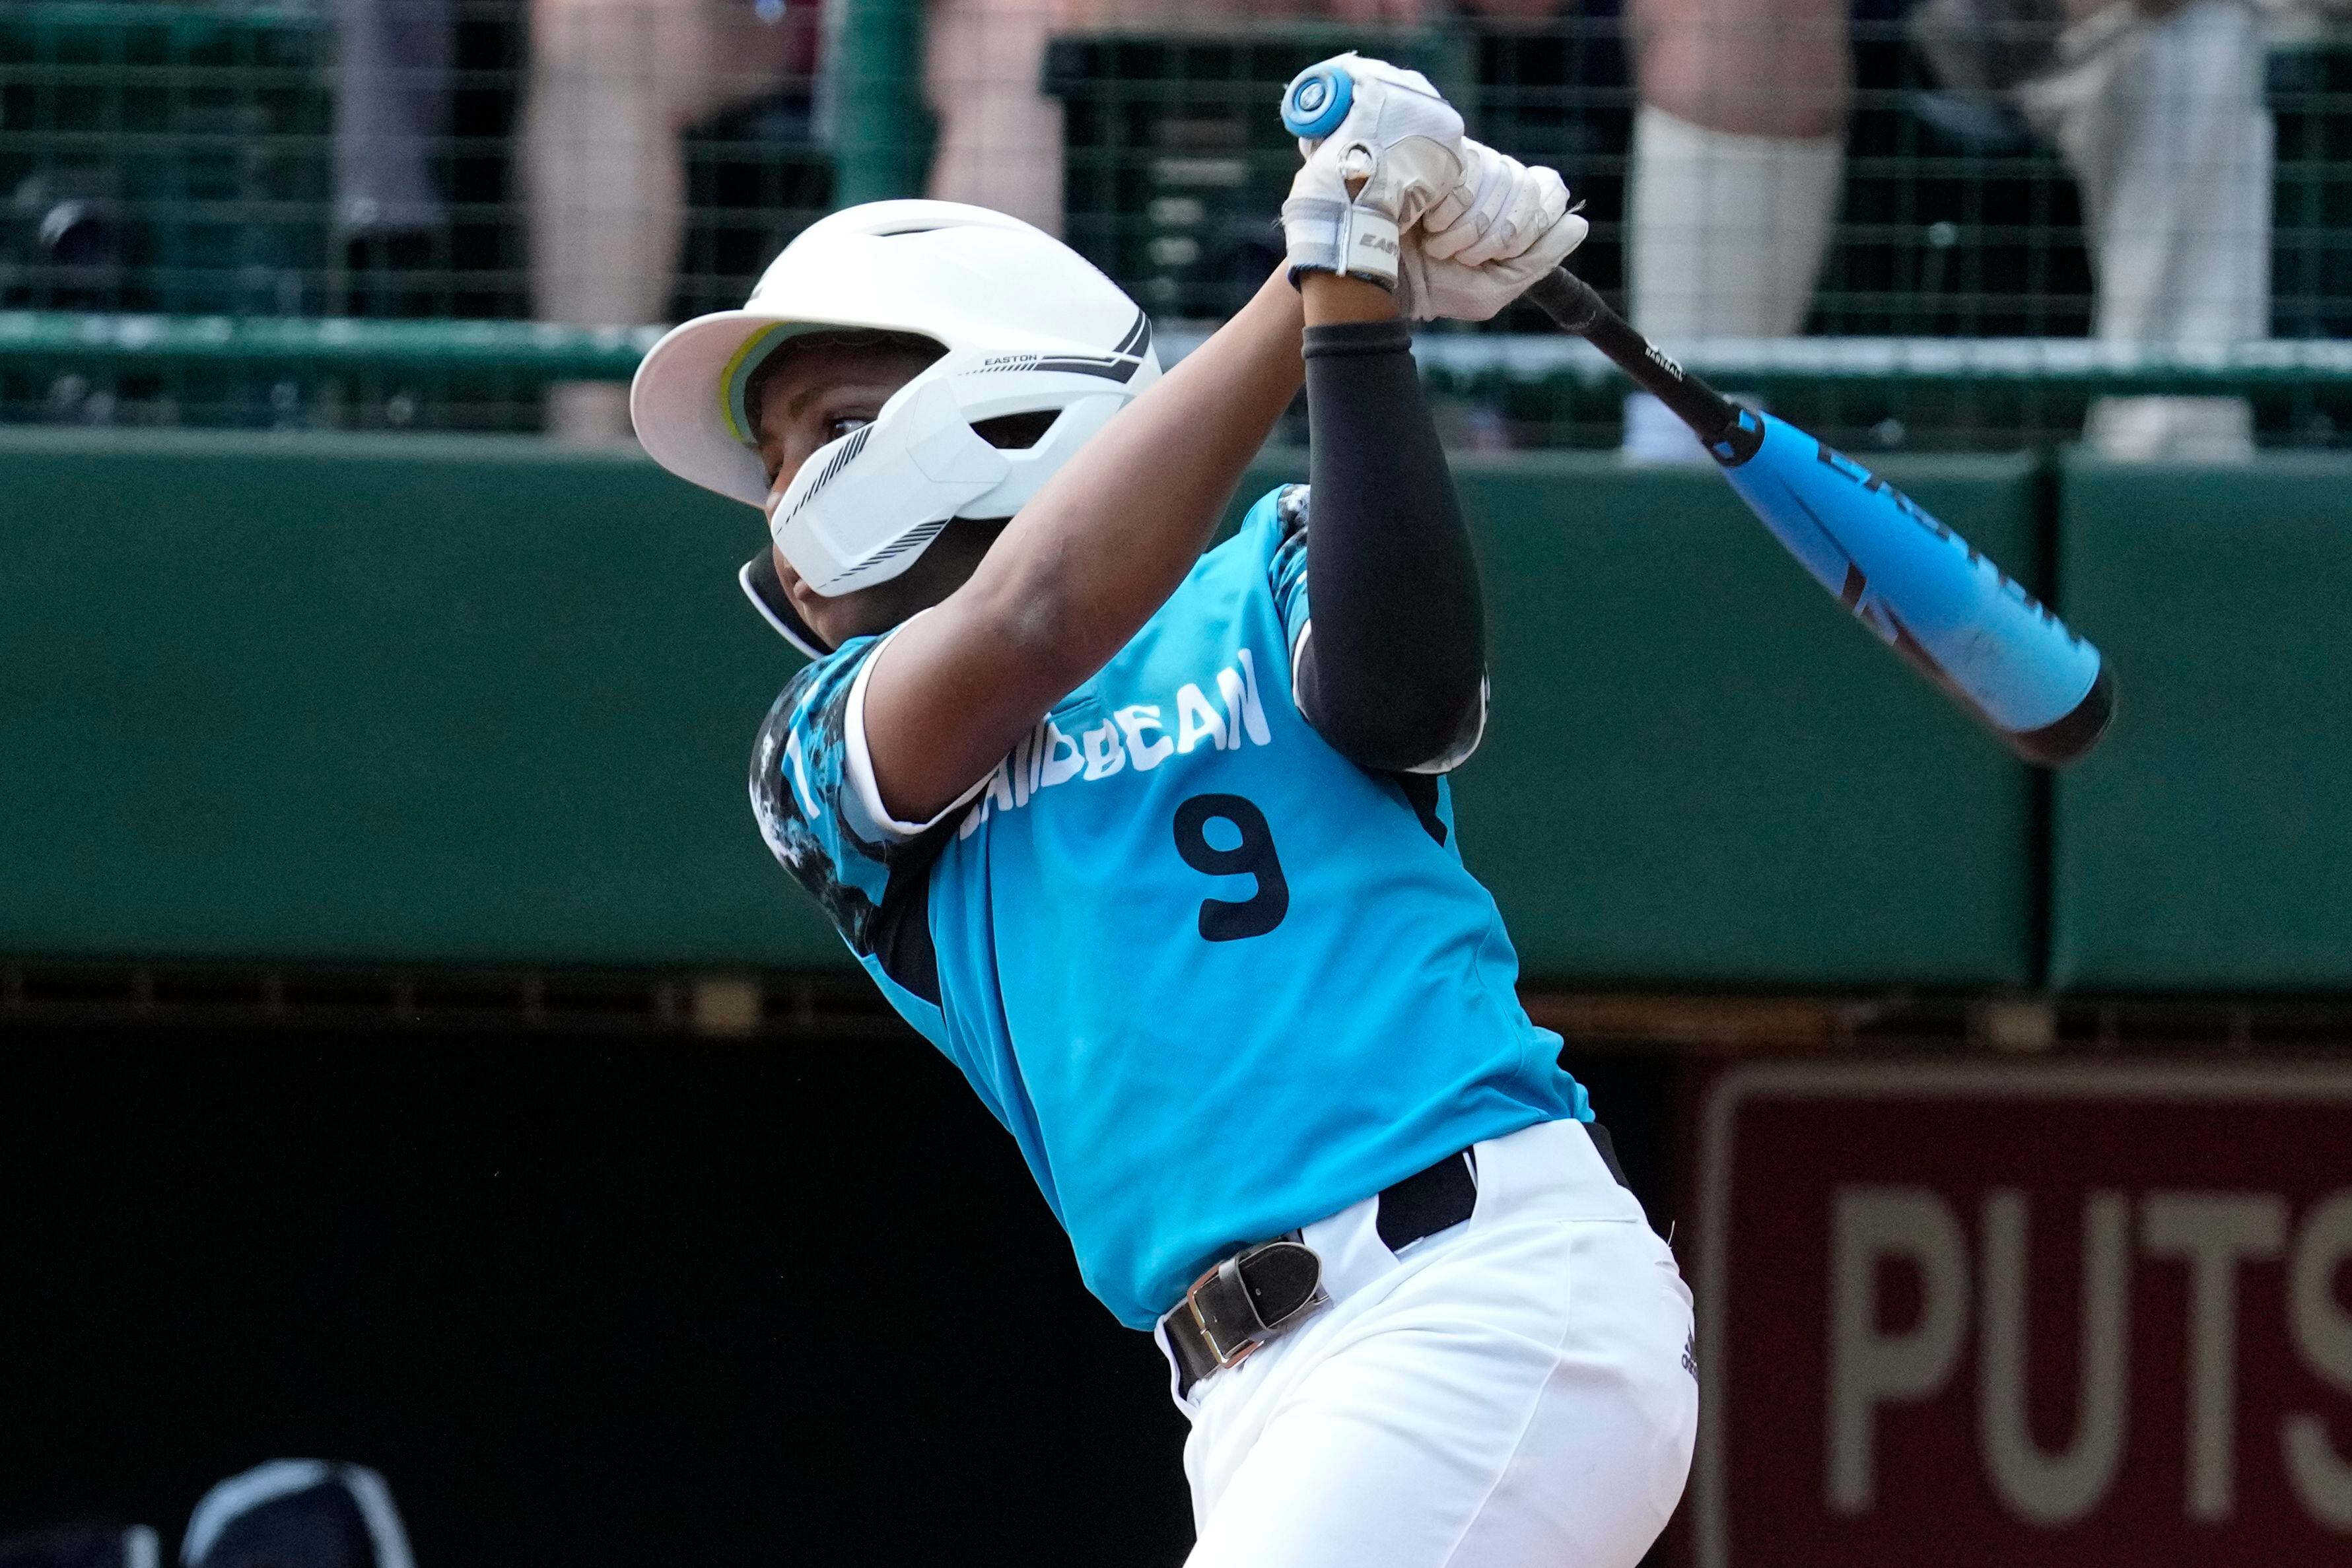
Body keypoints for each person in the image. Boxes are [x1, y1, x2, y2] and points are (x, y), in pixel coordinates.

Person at [630, 53, 1697, 1567]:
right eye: (776, 466)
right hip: (1249, 1393)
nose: (791, 500)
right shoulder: (813, 754)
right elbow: (1034, 616)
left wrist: (1353, 300)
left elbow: (1409, 700)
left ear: (1001, 379)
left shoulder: (1255, 574)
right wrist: (1319, 260)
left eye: (831, 420)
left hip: (1471, 1287)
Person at [1620, 0, 2294, 461]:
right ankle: (1689, 452)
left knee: (2199, 34)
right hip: (1898, 24)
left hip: (2129, 32)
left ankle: (2168, 476)